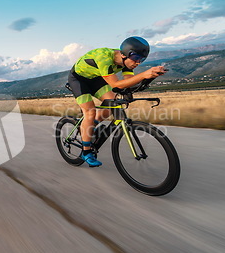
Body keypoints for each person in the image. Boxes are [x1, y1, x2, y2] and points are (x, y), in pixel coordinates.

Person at [68, 36, 167, 167]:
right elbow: (116, 84)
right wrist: (144, 74)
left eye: (141, 60)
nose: (138, 63)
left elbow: (128, 83)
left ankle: (90, 128)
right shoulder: (104, 58)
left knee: (113, 104)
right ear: (124, 54)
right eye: (136, 58)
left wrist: (149, 78)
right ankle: (86, 152)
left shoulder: (126, 62)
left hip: (96, 78)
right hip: (79, 80)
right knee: (90, 113)